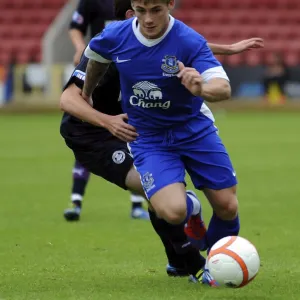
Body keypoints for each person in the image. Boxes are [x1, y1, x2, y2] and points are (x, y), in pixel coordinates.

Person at [83, 0, 263, 285]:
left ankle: (216, 262)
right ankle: (204, 257)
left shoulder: (188, 40)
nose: (148, 19)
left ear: (170, 4)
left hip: (194, 130)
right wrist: (87, 93)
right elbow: (95, 57)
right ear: (133, 6)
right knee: (173, 211)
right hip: (150, 138)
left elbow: (223, 87)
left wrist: (201, 87)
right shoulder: (115, 35)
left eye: (156, 10)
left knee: (227, 206)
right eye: (141, 10)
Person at [66, 0, 149, 221]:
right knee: (90, 128)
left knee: (138, 147)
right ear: (132, 15)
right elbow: (76, 28)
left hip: (122, 94)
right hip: (97, 61)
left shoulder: (148, 25)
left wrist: (223, 50)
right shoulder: (99, 15)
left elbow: (181, 42)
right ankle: (76, 201)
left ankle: (138, 205)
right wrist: (78, 49)